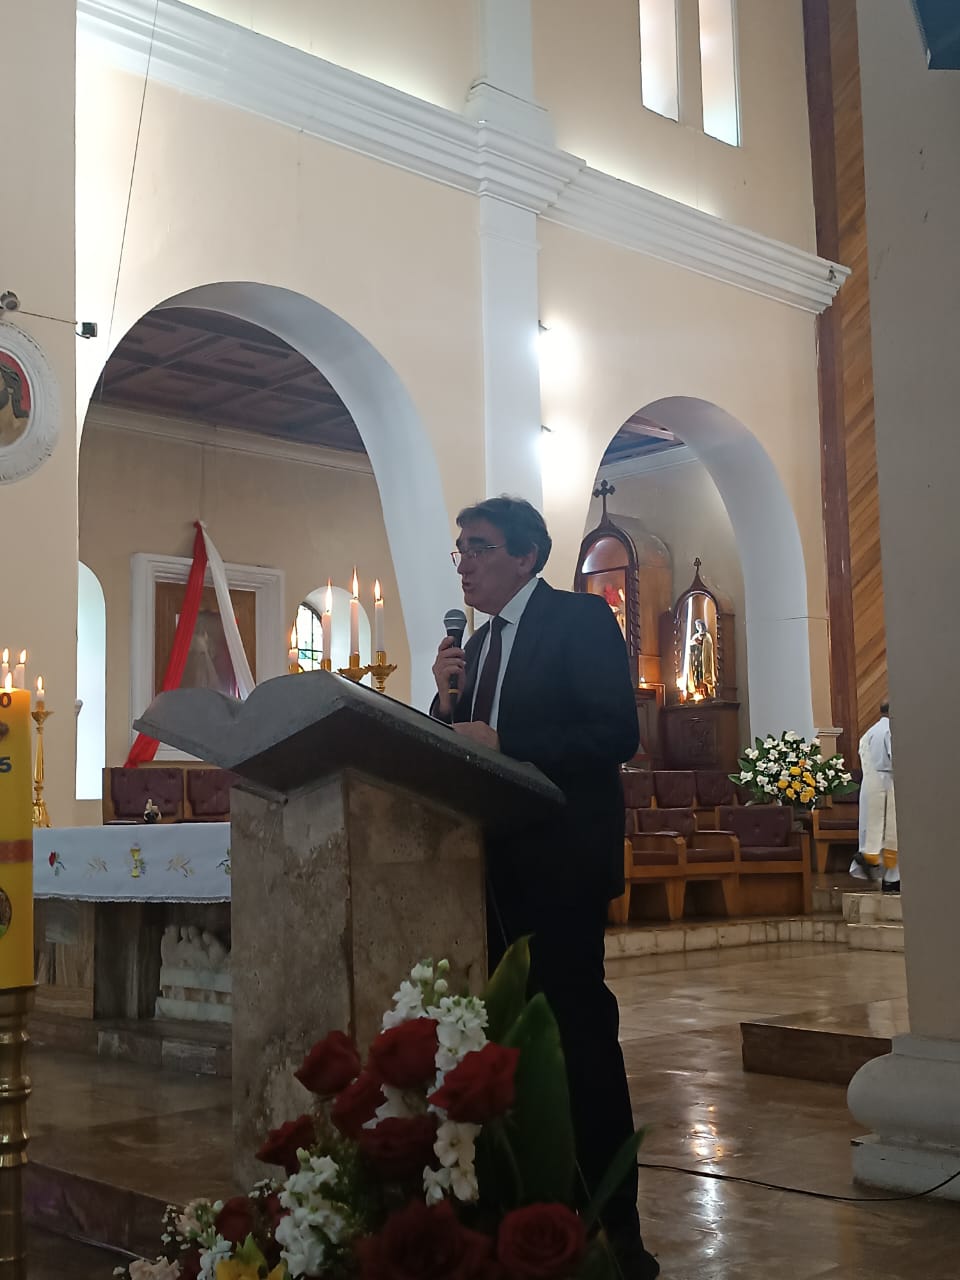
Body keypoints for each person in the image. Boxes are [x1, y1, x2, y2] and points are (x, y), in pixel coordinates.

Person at [431, 496, 659, 1280]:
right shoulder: (477, 645)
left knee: (577, 1044)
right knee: (504, 1045)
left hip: (557, 869)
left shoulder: (579, 621)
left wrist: (507, 740)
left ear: (527, 557)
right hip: (485, 870)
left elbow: (613, 734)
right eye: (460, 548)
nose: (463, 560)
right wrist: (443, 701)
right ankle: (528, 1208)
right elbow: (462, 745)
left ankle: (613, 1229)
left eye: (480, 547)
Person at [850, 702, 898, 892]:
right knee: (890, 833)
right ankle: (890, 878)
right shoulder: (890, 731)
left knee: (873, 830)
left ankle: (871, 861)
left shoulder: (869, 732)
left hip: (869, 783)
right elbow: (896, 758)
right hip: (887, 784)